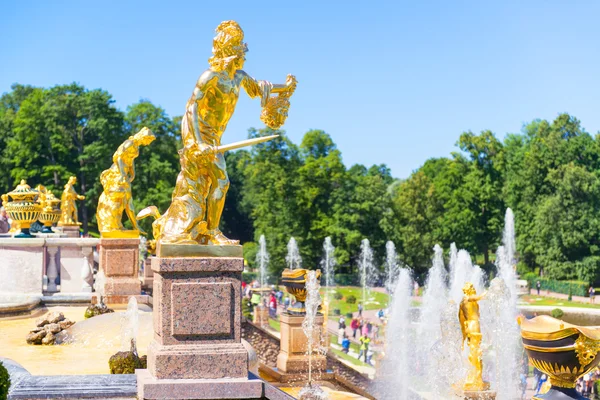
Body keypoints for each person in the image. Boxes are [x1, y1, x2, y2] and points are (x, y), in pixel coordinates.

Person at [146, 21, 296, 245]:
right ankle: (211, 231)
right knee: (220, 181)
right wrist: (197, 142)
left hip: (215, 137)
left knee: (204, 183)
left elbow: (257, 88)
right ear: (231, 55)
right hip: (198, 133)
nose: (244, 57)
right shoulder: (211, 76)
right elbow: (191, 108)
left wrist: (285, 88)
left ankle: (197, 229)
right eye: (241, 53)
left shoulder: (239, 77)